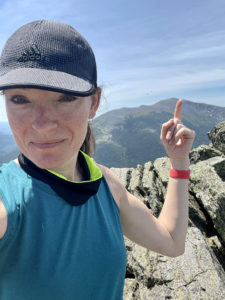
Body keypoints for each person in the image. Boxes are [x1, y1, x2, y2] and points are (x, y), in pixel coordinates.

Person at [0, 20, 195, 300]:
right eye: (19, 99)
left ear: (93, 103)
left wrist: (179, 164)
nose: (41, 124)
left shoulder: (106, 185)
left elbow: (172, 242)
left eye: (65, 97)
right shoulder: (7, 200)